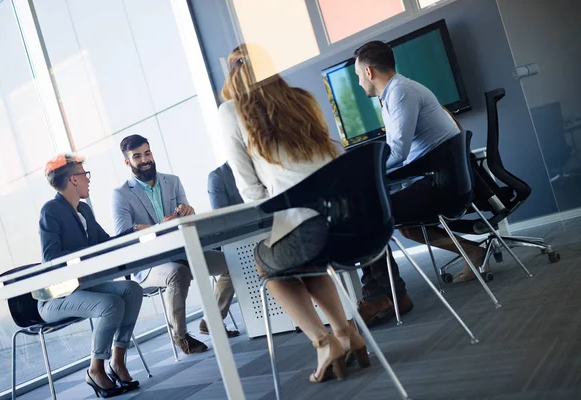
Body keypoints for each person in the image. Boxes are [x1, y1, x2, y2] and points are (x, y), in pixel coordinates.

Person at [219, 44, 370, 383]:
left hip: (308, 230)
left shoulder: (230, 111)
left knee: (269, 265)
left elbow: (250, 191)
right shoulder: (302, 99)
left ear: (232, 75)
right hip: (350, 225)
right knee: (302, 260)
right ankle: (346, 334)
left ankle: (322, 342)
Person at [353, 40, 487, 308]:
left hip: (443, 183)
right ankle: (472, 251)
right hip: (438, 176)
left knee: (376, 214)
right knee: (407, 228)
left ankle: (386, 297)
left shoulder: (401, 92)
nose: (359, 83)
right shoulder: (392, 94)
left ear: (369, 72)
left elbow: (399, 153)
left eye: (358, 76)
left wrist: (369, 174)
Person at [111, 135, 238, 356]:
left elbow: (187, 217)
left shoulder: (173, 181)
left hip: (182, 251)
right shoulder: (121, 194)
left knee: (233, 262)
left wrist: (188, 211)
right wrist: (159, 226)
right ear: (127, 162)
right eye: (137, 156)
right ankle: (180, 336)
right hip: (149, 263)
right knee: (178, 273)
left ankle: (212, 320)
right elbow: (124, 234)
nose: (144, 160)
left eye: (147, 153)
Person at [39, 154, 142, 398]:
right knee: (110, 305)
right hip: (55, 297)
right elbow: (51, 257)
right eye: (85, 175)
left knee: (132, 290)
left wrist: (135, 231)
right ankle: (95, 370)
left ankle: (117, 362)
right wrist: (88, 255)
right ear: (73, 179)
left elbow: (105, 244)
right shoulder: (51, 210)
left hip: (84, 287)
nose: (88, 180)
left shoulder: (83, 209)